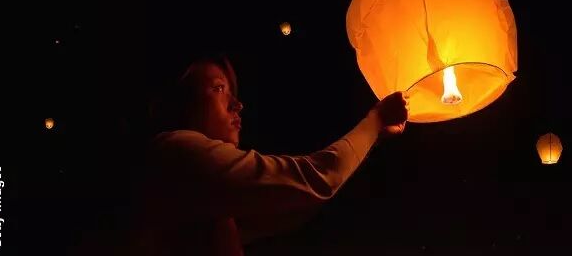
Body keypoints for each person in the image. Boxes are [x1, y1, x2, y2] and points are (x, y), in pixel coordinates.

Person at [125, 53, 410, 256]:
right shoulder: (176, 151)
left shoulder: (205, 193)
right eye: (218, 88)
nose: (237, 104)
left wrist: (375, 133)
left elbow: (294, 203)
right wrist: (375, 120)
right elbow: (314, 181)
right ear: (180, 101)